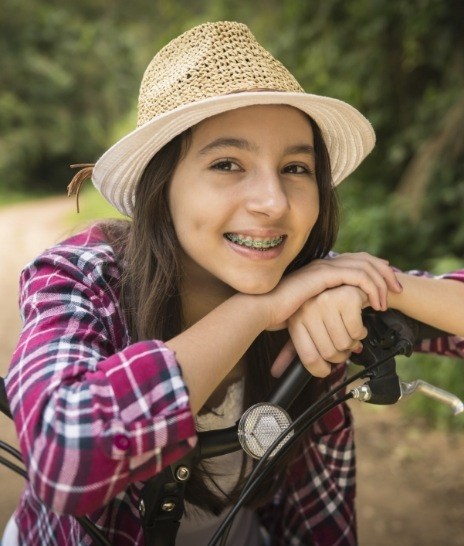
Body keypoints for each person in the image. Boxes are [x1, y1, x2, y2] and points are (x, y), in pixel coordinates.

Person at [4, 21, 464, 546]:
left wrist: (368, 286)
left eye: (295, 167)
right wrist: (255, 312)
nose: (273, 202)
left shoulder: (318, 282)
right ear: (163, 187)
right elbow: (64, 456)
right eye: (227, 163)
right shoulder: (80, 276)